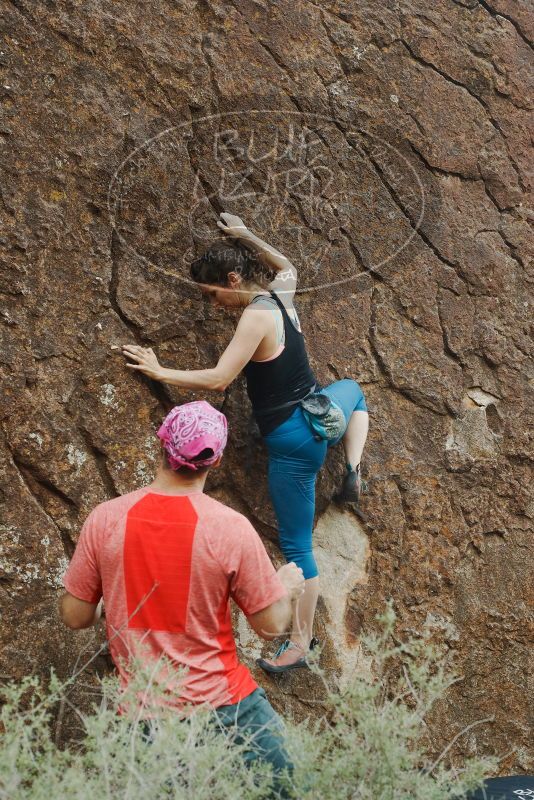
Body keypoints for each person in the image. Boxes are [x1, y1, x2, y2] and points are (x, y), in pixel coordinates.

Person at [115, 212, 369, 673]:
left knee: (297, 547)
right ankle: (353, 468)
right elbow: (288, 264)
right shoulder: (280, 293)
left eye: (214, 293)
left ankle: (299, 644)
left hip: (292, 441)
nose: (213, 303)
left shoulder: (255, 317)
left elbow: (218, 378)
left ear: (233, 279)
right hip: (323, 412)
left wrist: (158, 370)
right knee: (355, 389)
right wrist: (247, 234)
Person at [59, 400, 305, 794]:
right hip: (227, 709)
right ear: (216, 460)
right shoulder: (230, 528)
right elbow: (271, 625)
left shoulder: (105, 520)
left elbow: (74, 615)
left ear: (162, 444)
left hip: (141, 718)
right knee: (292, 789)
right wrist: (286, 587)